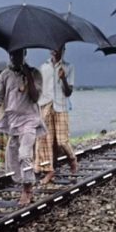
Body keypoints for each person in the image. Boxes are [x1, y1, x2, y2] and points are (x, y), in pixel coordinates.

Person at [0, 49, 46, 207]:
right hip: (13, 121)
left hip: (30, 119)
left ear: (24, 54)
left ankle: (27, 190)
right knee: (13, 158)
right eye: (12, 54)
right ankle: (25, 184)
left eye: (18, 54)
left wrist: (29, 77)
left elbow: (35, 97)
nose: (15, 57)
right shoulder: (5, 75)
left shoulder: (35, 72)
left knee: (25, 153)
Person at [35, 46, 78, 184]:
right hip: (46, 105)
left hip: (61, 106)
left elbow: (68, 92)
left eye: (57, 48)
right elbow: (39, 89)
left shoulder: (69, 67)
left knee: (62, 140)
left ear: (63, 50)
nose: (54, 51)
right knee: (45, 141)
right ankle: (49, 171)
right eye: (52, 48)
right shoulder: (43, 67)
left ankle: (72, 158)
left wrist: (63, 78)